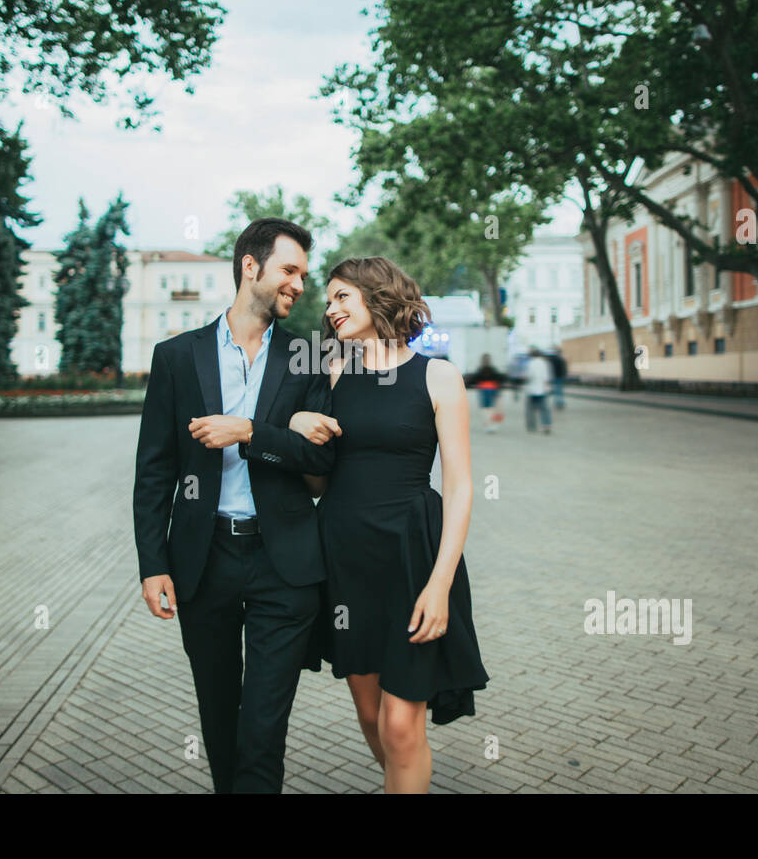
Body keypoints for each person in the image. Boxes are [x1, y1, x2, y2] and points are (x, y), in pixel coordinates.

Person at [132, 218, 337, 794]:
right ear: (251, 267)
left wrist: (250, 431)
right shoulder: (177, 357)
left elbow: (321, 460)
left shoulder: (308, 356)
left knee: (264, 726)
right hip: (204, 561)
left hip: (285, 564)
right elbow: (155, 471)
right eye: (289, 270)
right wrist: (153, 563)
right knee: (220, 717)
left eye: (304, 273)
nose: (299, 284)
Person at [286, 256, 489, 794]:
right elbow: (317, 483)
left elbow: (461, 485)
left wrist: (441, 584)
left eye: (340, 297)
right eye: (327, 300)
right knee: (374, 718)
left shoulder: (439, 377)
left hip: (412, 560)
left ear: (377, 297)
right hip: (346, 564)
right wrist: (296, 428)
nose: (329, 309)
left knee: (402, 728)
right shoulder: (329, 371)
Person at [464, 353, 508, 431]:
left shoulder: (480, 370)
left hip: (484, 390)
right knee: (492, 407)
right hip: (493, 389)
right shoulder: (493, 370)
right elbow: (500, 379)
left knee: (485, 408)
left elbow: (473, 380)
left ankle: (487, 423)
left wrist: (467, 385)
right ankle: (492, 424)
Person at [523, 347, 553, 434]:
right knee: (544, 409)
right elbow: (547, 377)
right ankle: (546, 425)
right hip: (543, 389)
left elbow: (529, 376)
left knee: (531, 409)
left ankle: (532, 427)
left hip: (532, 390)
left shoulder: (530, 364)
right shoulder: (545, 363)